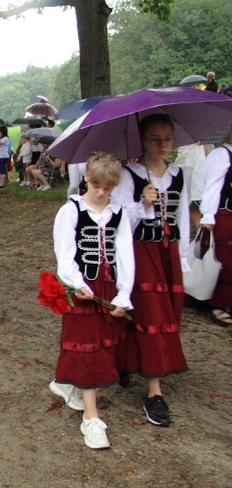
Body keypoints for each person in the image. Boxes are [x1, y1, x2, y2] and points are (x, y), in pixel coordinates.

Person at [48, 151, 135, 450]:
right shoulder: (71, 211)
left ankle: (65, 383)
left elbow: (125, 255)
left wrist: (124, 293)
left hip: (108, 288)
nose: (100, 192)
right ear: (86, 177)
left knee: (100, 345)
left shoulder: (119, 213)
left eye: (107, 187)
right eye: (96, 184)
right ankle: (91, 418)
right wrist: (77, 283)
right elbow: (65, 254)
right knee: (87, 348)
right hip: (82, 290)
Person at [111, 113, 189, 427]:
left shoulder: (179, 174)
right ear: (143, 140)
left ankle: (127, 362)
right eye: (155, 139)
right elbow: (119, 222)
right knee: (151, 317)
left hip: (169, 255)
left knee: (165, 314)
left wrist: (183, 259)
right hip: (141, 253)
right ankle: (154, 392)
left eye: (167, 138)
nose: (162, 145)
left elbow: (182, 216)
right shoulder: (130, 175)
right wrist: (142, 205)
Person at [199, 128, 232, 324]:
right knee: (225, 260)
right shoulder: (222, 154)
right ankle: (218, 302)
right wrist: (208, 215)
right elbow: (212, 186)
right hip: (224, 214)